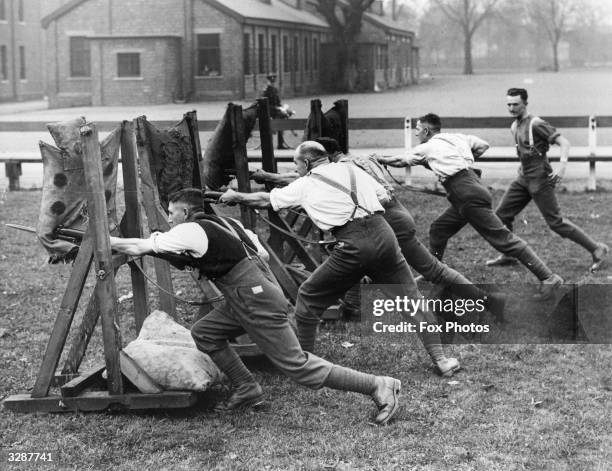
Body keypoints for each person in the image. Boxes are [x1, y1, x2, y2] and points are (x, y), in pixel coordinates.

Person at [109, 188, 401, 425]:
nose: (170, 218)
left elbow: (139, 247)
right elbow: (258, 250)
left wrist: (104, 241)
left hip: (253, 298)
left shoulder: (190, 230)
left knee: (297, 366)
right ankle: (247, 387)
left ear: (185, 212)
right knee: (205, 332)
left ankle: (376, 384)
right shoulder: (227, 223)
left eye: (171, 212)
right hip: (253, 290)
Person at [222, 141, 461, 377]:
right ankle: (441, 360)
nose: (296, 170)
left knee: (307, 297)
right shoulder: (351, 169)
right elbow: (384, 198)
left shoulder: (306, 183)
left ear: (306, 162)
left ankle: (305, 364)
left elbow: (265, 200)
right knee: (412, 300)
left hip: (353, 244)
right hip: (384, 234)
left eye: (296, 164)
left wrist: (237, 196)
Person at [252, 136, 506, 323]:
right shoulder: (355, 161)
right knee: (421, 269)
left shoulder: (342, 168)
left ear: (327, 157)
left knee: (429, 270)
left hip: (385, 221)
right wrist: (270, 177)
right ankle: (353, 308)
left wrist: (269, 178)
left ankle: (487, 301)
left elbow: (303, 181)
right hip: (396, 216)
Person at [378, 113, 563, 298]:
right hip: (470, 188)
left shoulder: (428, 146)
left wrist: (379, 159)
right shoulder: (457, 137)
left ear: (426, 131)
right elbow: (483, 145)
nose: (416, 134)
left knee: (503, 239)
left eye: (417, 130)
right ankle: (431, 274)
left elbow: (400, 160)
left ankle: (548, 277)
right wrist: (464, 160)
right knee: (439, 229)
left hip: (465, 195)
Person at [486, 88, 608, 271]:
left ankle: (598, 249)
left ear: (525, 104)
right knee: (502, 215)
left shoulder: (536, 124)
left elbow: (564, 143)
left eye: (515, 104)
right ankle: (509, 254)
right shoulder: (514, 126)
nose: (511, 108)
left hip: (540, 180)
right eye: (509, 104)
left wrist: (562, 168)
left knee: (556, 223)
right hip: (523, 179)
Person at [262, 73, 291, 150]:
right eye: (270, 81)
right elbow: (266, 104)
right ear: (268, 82)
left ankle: (280, 144)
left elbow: (278, 102)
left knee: (283, 117)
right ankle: (269, 144)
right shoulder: (266, 91)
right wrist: (277, 108)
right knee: (277, 120)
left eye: (273, 82)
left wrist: (283, 108)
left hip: (276, 111)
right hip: (269, 112)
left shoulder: (275, 90)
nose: (272, 83)